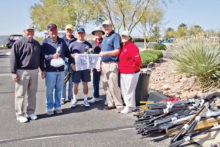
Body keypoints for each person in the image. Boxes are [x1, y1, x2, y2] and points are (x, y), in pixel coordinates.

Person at [10, 24, 45, 123]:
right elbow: (13, 58)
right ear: (24, 32)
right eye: (28, 31)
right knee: (20, 94)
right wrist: (13, 72)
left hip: (34, 71)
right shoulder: (18, 43)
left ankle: (30, 112)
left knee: (32, 93)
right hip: (22, 71)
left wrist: (43, 70)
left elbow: (41, 58)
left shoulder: (37, 44)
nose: (30, 33)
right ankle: (20, 114)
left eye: (32, 31)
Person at [42, 24, 73, 115]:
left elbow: (67, 53)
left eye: (55, 30)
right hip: (50, 71)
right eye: (51, 30)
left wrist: (72, 62)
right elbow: (43, 56)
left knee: (59, 89)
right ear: (48, 32)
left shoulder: (62, 41)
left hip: (61, 70)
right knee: (50, 90)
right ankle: (49, 107)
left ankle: (58, 106)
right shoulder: (45, 42)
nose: (53, 32)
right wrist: (52, 56)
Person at [99, 20, 124, 113]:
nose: (106, 28)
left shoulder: (116, 36)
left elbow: (117, 51)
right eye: (104, 26)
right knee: (106, 85)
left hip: (112, 64)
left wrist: (105, 53)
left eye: (107, 26)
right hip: (104, 64)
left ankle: (119, 104)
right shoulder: (105, 38)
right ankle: (111, 103)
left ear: (111, 26)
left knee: (113, 84)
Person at [118, 31, 142, 114]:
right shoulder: (122, 46)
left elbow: (138, 60)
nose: (124, 38)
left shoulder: (132, 46)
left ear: (129, 37)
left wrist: (134, 67)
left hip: (131, 72)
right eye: (122, 36)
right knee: (124, 90)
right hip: (123, 71)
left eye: (125, 36)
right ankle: (132, 106)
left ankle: (129, 106)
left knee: (129, 90)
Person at [69, 28, 92, 108]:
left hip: (85, 68)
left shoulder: (88, 44)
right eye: (79, 33)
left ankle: (85, 100)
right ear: (77, 34)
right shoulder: (72, 44)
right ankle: (74, 100)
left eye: (82, 33)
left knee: (85, 84)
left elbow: (91, 57)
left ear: (84, 34)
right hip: (76, 68)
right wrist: (72, 65)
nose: (80, 35)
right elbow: (68, 57)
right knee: (75, 84)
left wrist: (90, 66)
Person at [88, 26, 105, 104]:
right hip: (95, 65)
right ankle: (96, 96)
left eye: (99, 32)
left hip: (104, 64)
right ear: (94, 33)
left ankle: (109, 98)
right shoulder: (93, 43)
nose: (98, 33)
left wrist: (101, 63)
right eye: (96, 32)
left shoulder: (105, 41)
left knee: (106, 82)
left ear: (102, 33)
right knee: (95, 81)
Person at [61, 24, 76, 105]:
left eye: (70, 30)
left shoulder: (75, 40)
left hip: (73, 63)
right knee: (63, 81)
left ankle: (70, 96)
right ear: (65, 31)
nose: (68, 31)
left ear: (72, 31)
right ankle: (62, 98)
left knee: (71, 81)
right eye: (67, 30)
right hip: (64, 63)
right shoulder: (61, 40)